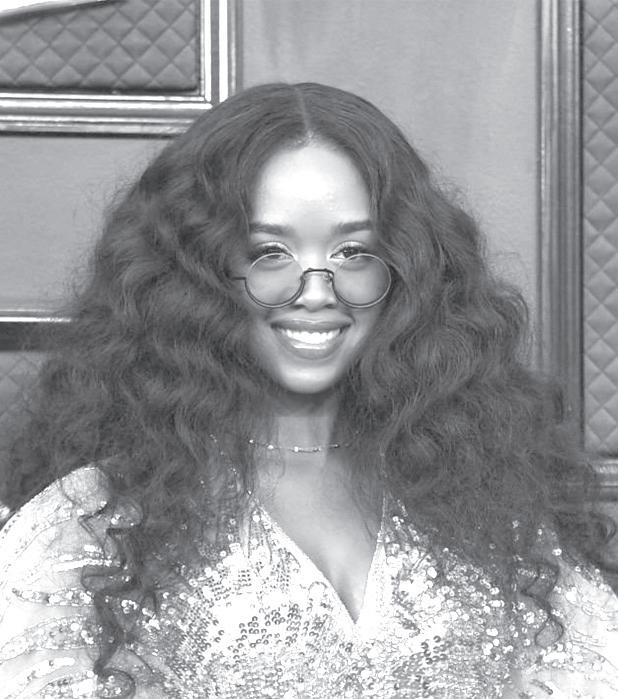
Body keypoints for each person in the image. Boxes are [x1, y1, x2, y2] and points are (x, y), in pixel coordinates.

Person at [0, 82, 616, 698]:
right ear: (196, 274)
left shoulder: (488, 495)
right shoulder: (98, 520)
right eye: (270, 252)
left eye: (353, 252)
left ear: (407, 271)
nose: (316, 291)